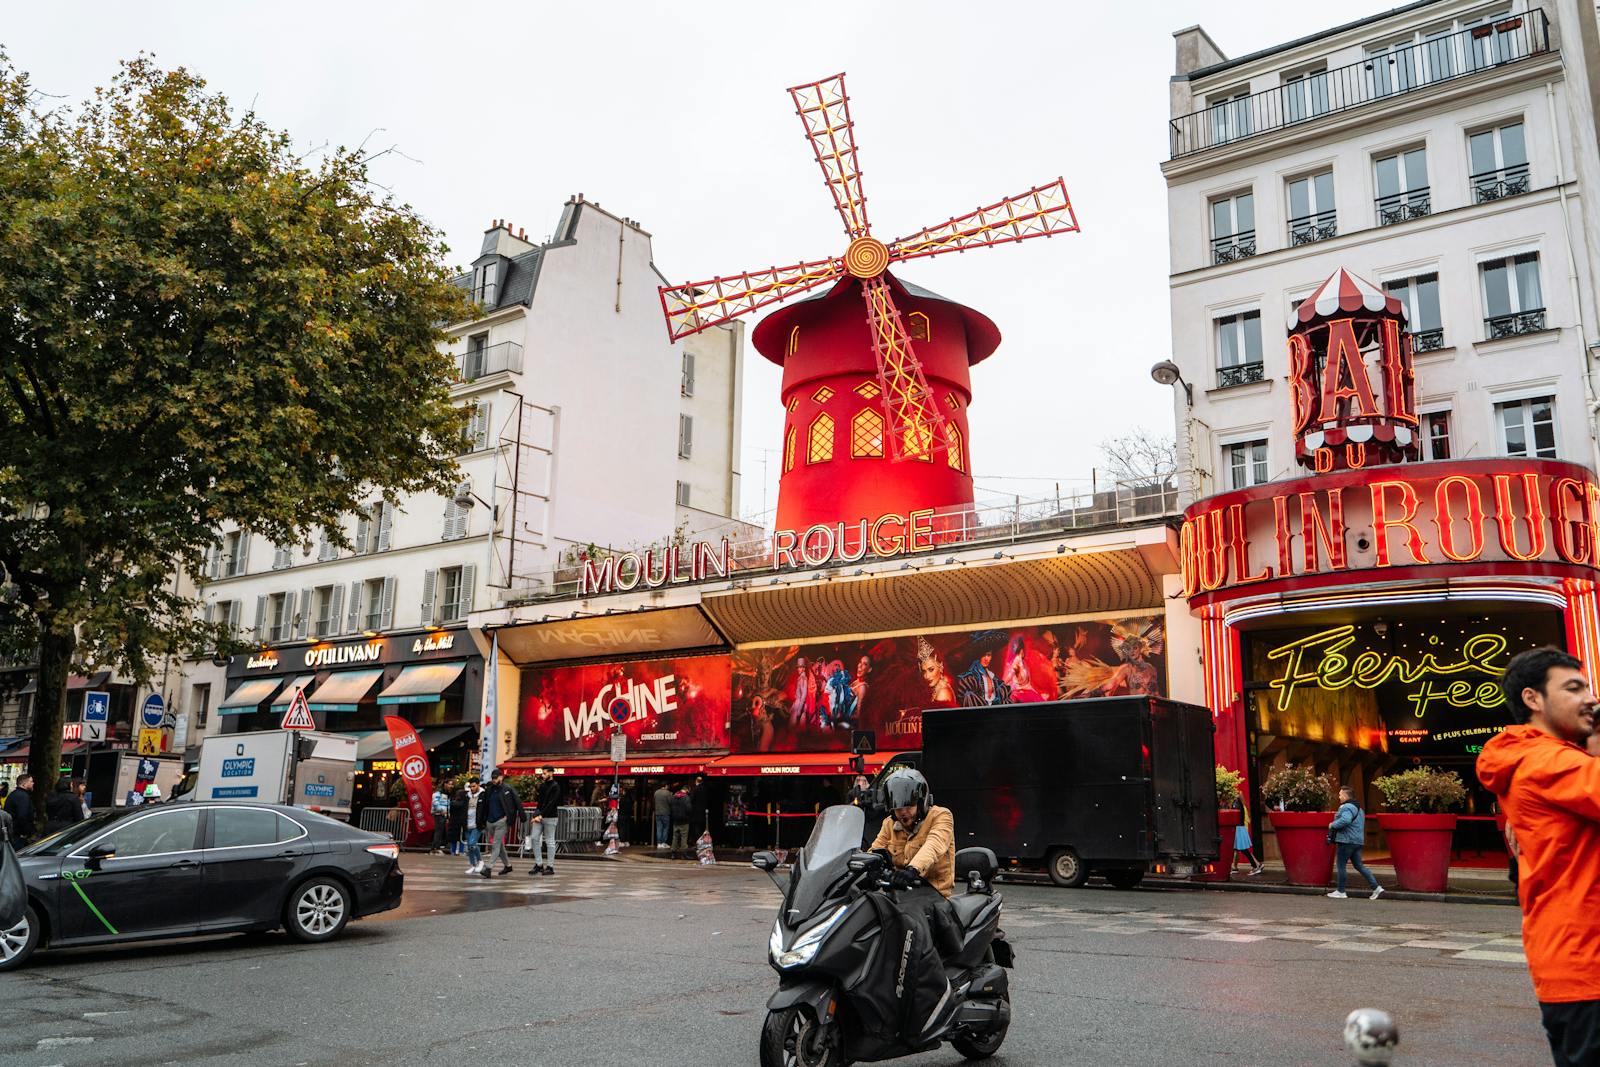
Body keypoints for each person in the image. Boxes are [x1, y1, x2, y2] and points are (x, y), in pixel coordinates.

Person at [1478, 646, 1600, 1067]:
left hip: (1569, 959)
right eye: (1573, 687)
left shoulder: (1541, 758)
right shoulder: (1548, 761)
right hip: (1588, 963)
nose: (1590, 697)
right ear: (1533, 699)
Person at [1326, 786, 1383, 900]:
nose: (1339, 797)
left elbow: (1345, 820)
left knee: (1341, 865)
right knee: (1359, 866)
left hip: (1346, 841)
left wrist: (1332, 824)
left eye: (1340, 794)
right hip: (1357, 841)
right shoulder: (1359, 809)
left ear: (1346, 796)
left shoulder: (1346, 807)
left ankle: (1341, 891)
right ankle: (1376, 888)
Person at [481, 770, 521, 877]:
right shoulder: (489, 790)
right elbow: (484, 805)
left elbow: (517, 802)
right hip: (490, 821)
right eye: (493, 778)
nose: (494, 780)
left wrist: (515, 817)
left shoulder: (507, 789)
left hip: (501, 821)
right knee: (499, 846)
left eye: (496, 778)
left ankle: (488, 868)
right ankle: (508, 866)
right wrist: (483, 820)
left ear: (501, 777)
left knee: (496, 845)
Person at [529, 766, 561, 876]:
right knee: (534, 838)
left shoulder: (555, 786)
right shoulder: (542, 786)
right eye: (542, 773)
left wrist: (540, 815)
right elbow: (540, 802)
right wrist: (536, 814)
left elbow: (552, 803)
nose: (543, 775)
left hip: (550, 817)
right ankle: (539, 864)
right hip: (540, 816)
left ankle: (550, 866)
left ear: (551, 773)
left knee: (550, 841)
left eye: (545, 773)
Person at [1233, 794, 1264, 876]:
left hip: (1238, 828)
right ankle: (1235, 867)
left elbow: (1237, 816)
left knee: (1243, 849)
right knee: (1239, 849)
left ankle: (1256, 866)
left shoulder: (1236, 803)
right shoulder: (1240, 803)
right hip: (1240, 827)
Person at [460, 778, 486, 875]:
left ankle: (480, 861)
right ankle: (473, 865)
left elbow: (485, 809)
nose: (472, 788)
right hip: (467, 824)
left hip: (477, 824)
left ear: (478, 785)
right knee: (469, 846)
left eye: (474, 786)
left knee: (472, 843)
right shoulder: (467, 796)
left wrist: (483, 822)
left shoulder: (483, 795)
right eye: (470, 786)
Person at [3, 774, 34, 845]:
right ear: (24, 784)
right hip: (18, 836)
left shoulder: (13, 794)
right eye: (31, 781)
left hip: (12, 833)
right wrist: (25, 833)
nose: (33, 783)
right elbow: (22, 816)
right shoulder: (23, 796)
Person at [669, 783, 692, 859]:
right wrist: (688, 816)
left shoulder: (674, 796)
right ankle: (684, 853)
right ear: (687, 789)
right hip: (684, 820)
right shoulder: (686, 797)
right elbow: (689, 809)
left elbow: (671, 807)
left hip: (675, 820)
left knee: (675, 836)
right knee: (684, 837)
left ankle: (673, 853)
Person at [430, 783, 451, 854]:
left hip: (443, 814)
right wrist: (442, 810)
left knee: (440, 831)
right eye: (450, 784)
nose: (451, 786)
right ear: (445, 784)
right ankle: (435, 848)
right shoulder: (437, 794)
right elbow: (435, 803)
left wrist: (447, 814)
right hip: (439, 814)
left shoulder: (446, 794)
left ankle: (435, 847)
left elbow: (447, 804)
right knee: (438, 831)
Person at [653, 781, 672, 851]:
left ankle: (659, 843)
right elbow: (671, 802)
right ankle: (663, 842)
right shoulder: (667, 793)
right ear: (666, 786)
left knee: (659, 828)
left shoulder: (656, 792)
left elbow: (654, 802)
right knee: (665, 828)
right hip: (665, 813)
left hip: (657, 813)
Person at [689, 775, 709, 843]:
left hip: (696, 812)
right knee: (702, 827)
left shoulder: (695, 789)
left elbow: (691, 799)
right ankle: (703, 841)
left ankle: (698, 842)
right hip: (703, 811)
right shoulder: (705, 789)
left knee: (696, 828)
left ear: (696, 781)